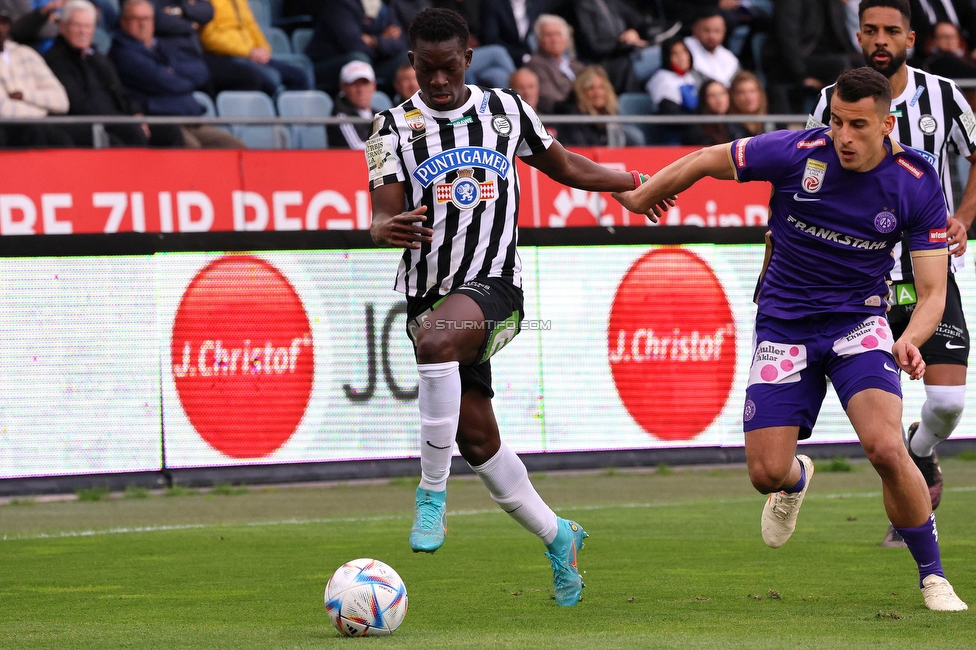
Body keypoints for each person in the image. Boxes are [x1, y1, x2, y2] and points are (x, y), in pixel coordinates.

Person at [613, 66, 967, 612]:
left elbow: (932, 293)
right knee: (765, 474)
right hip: (784, 327)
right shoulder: (797, 151)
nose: (843, 136)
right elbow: (709, 159)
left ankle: (933, 576)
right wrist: (646, 196)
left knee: (885, 448)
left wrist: (911, 339)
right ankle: (796, 479)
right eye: (837, 122)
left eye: (857, 125)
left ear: (886, 125)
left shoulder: (916, 181)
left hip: (859, 323)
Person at [366, 7, 665, 607]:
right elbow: (380, 214)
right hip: (430, 297)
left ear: (468, 59)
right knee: (479, 442)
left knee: (434, 344)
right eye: (427, 71)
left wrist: (628, 183)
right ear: (411, 65)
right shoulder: (388, 130)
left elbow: (566, 166)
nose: (439, 82)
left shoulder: (506, 111)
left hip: (497, 288)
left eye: (449, 69)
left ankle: (430, 495)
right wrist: (384, 228)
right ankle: (560, 537)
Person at [807, 0, 976, 549]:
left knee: (948, 403)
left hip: (928, 272)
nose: (880, 40)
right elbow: (802, 171)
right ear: (859, 35)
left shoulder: (943, 95)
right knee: (880, 413)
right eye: (871, 30)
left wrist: (964, 217)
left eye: (891, 31)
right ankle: (910, 515)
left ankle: (921, 449)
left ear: (911, 36)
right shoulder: (831, 102)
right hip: (862, 279)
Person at [45, 0, 185, 147]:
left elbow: (120, 92)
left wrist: (136, 114)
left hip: (120, 120)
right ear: (62, 27)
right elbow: (79, 104)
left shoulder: (97, 57)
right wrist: (123, 120)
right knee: (131, 133)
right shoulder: (56, 60)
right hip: (91, 124)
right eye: (77, 26)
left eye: (88, 26)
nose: (83, 31)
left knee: (170, 131)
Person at [110, 0, 243, 148]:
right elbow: (163, 81)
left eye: (147, 18)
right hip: (163, 122)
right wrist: (178, 77)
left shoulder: (162, 46)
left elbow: (201, 71)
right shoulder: (123, 54)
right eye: (136, 19)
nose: (143, 24)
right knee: (193, 151)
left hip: (191, 119)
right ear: (123, 21)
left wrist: (173, 74)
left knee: (234, 146)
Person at [763, 0, 863, 114]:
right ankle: (834, 117)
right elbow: (787, 39)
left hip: (820, 58)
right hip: (788, 63)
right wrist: (801, 76)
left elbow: (840, 35)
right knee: (840, 65)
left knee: (861, 64)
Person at [198, 0, 311, 96]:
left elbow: (251, 25)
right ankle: (272, 119)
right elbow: (209, 38)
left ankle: (297, 121)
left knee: (299, 76)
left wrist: (264, 49)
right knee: (271, 77)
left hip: (252, 56)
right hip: (225, 55)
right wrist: (249, 52)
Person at [0, 7, 76, 148]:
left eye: (4, 22)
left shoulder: (26, 53)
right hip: (9, 130)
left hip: (39, 126)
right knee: (37, 133)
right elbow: (4, 110)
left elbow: (61, 101)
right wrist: (42, 111)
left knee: (69, 136)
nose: (1, 27)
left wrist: (24, 96)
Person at [305, 0, 408, 96]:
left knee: (407, 58)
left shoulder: (383, 8)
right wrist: (384, 40)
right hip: (329, 65)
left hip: (373, 62)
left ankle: (413, 108)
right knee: (359, 60)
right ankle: (357, 111)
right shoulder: (340, 5)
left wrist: (374, 41)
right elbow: (355, 46)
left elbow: (401, 44)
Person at [558, 64, 638, 147]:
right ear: (581, 91)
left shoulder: (610, 115)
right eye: (591, 88)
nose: (597, 93)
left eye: (601, 87)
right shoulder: (572, 119)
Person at [646, 37, 705, 144]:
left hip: (695, 130)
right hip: (674, 137)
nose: (681, 57)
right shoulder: (661, 79)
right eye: (675, 54)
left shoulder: (693, 76)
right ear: (667, 57)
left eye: (684, 51)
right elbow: (671, 115)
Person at [524, 13, 585, 114]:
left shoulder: (578, 66)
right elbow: (549, 99)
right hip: (561, 117)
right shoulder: (535, 64)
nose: (554, 39)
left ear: (566, 40)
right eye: (548, 35)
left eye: (558, 34)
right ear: (539, 40)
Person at [329, 59, 383, 149]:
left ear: (374, 86)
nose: (360, 90)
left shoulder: (380, 115)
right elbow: (358, 149)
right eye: (354, 84)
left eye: (365, 83)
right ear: (343, 87)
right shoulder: (340, 117)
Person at [682, 79, 750, 145]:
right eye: (712, 95)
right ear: (704, 99)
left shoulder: (738, 125)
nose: (719, 99)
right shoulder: (696, 131)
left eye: (722, 93)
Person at [684, 9, 739, 87]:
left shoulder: (730, 58)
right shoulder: (683, 50)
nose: (712, 36)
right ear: (695, 29)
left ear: (724, 31)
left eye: (717, 31)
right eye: (706, 31)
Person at [728, 70, 768, 135]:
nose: (749, 98)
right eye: (742, 92)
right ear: (733, 96)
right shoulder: (727, 127)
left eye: (752, 91)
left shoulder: (772, 122)